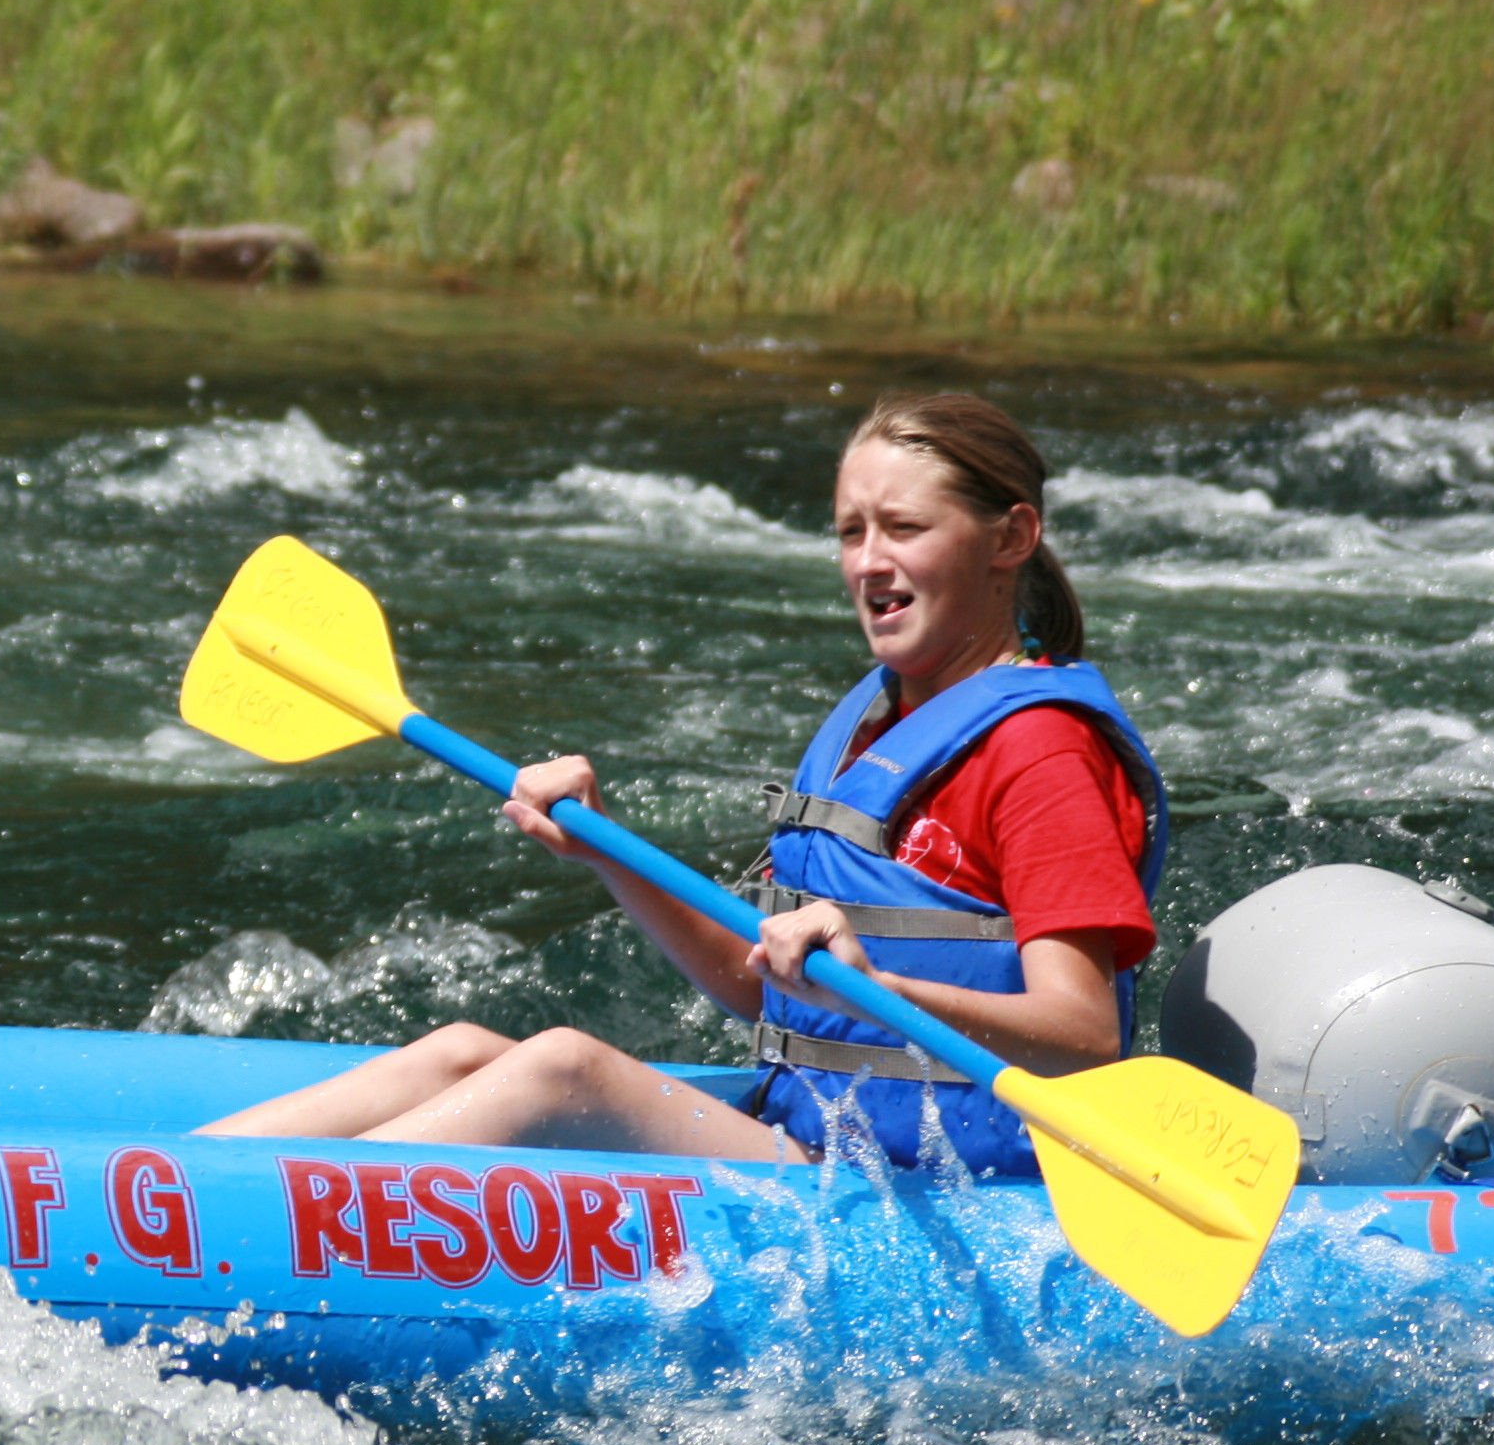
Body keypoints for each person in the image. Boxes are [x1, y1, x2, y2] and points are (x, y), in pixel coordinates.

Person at [199, 392, 1165, 1174]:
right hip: (826, 1142)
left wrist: (882, 988)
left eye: (905, 527)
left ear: (1009, 538)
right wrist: (605, 847)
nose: (870, 561)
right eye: (849, 532)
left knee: (564, 1067)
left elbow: (1082, 1041)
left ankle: (225, 1233)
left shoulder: (1042, 752)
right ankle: (151, 1189)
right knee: (459, 1049)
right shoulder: (885, 719)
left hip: (941, 1188)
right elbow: (760, 996)